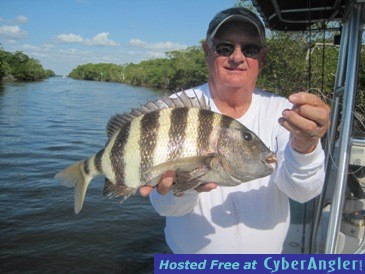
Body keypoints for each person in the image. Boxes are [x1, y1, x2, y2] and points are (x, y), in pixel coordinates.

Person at [139, 7, 330, 253]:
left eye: (250, 49)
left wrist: (306, 148)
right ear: (207, 51)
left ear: (262, 57)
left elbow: (302, 192)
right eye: (225, 47)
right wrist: (180, 189)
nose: (237, 57)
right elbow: (165, 208)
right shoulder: (173, 110)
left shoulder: (284, 113)